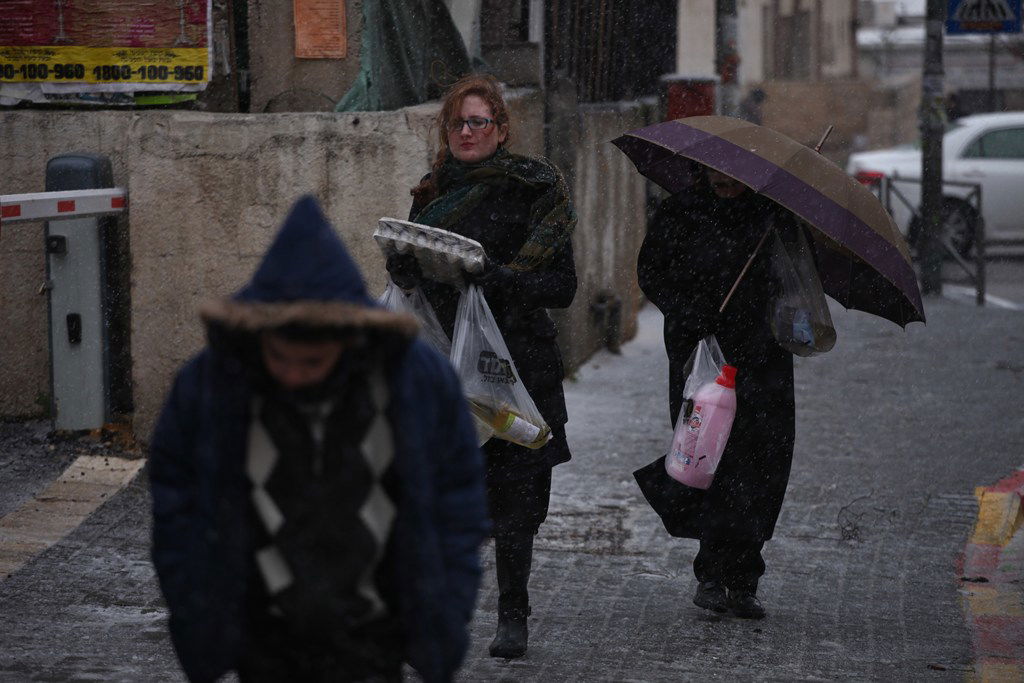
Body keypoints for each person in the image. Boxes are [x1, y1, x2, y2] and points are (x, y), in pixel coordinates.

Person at [149, 196, 488, 683]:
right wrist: (195, 602)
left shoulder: (414, 381)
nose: (293, 375)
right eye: (280, 358)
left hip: (375, 637)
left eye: (312, 362)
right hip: (262, 638)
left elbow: (457, 502)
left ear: (346, 338)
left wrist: (444, 612)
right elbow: (176, 502)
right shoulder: (212, 384)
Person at [386, 73, 577, 659]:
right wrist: (407, 272)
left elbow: (563, 286)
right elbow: (412, 263)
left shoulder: (534, 190)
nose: (467, 132)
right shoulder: (431, 192)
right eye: (457, 123)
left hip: (515, 365)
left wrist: (499, 280)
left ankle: (512, 615)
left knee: (517, 501)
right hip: (445, 364)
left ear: (501, 129)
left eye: (479, 122)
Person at [633, 165, 799, 620]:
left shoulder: (773, 217)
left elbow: (796, 282)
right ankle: (710, 571)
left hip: (762, 360)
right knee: (705, 457)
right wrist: (691, 311)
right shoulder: (680, 213)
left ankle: (745, 577)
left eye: (735, 177)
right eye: (717, 176)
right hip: (700, 357)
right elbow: (652, 273)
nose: (727, 184)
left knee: (759, 463)